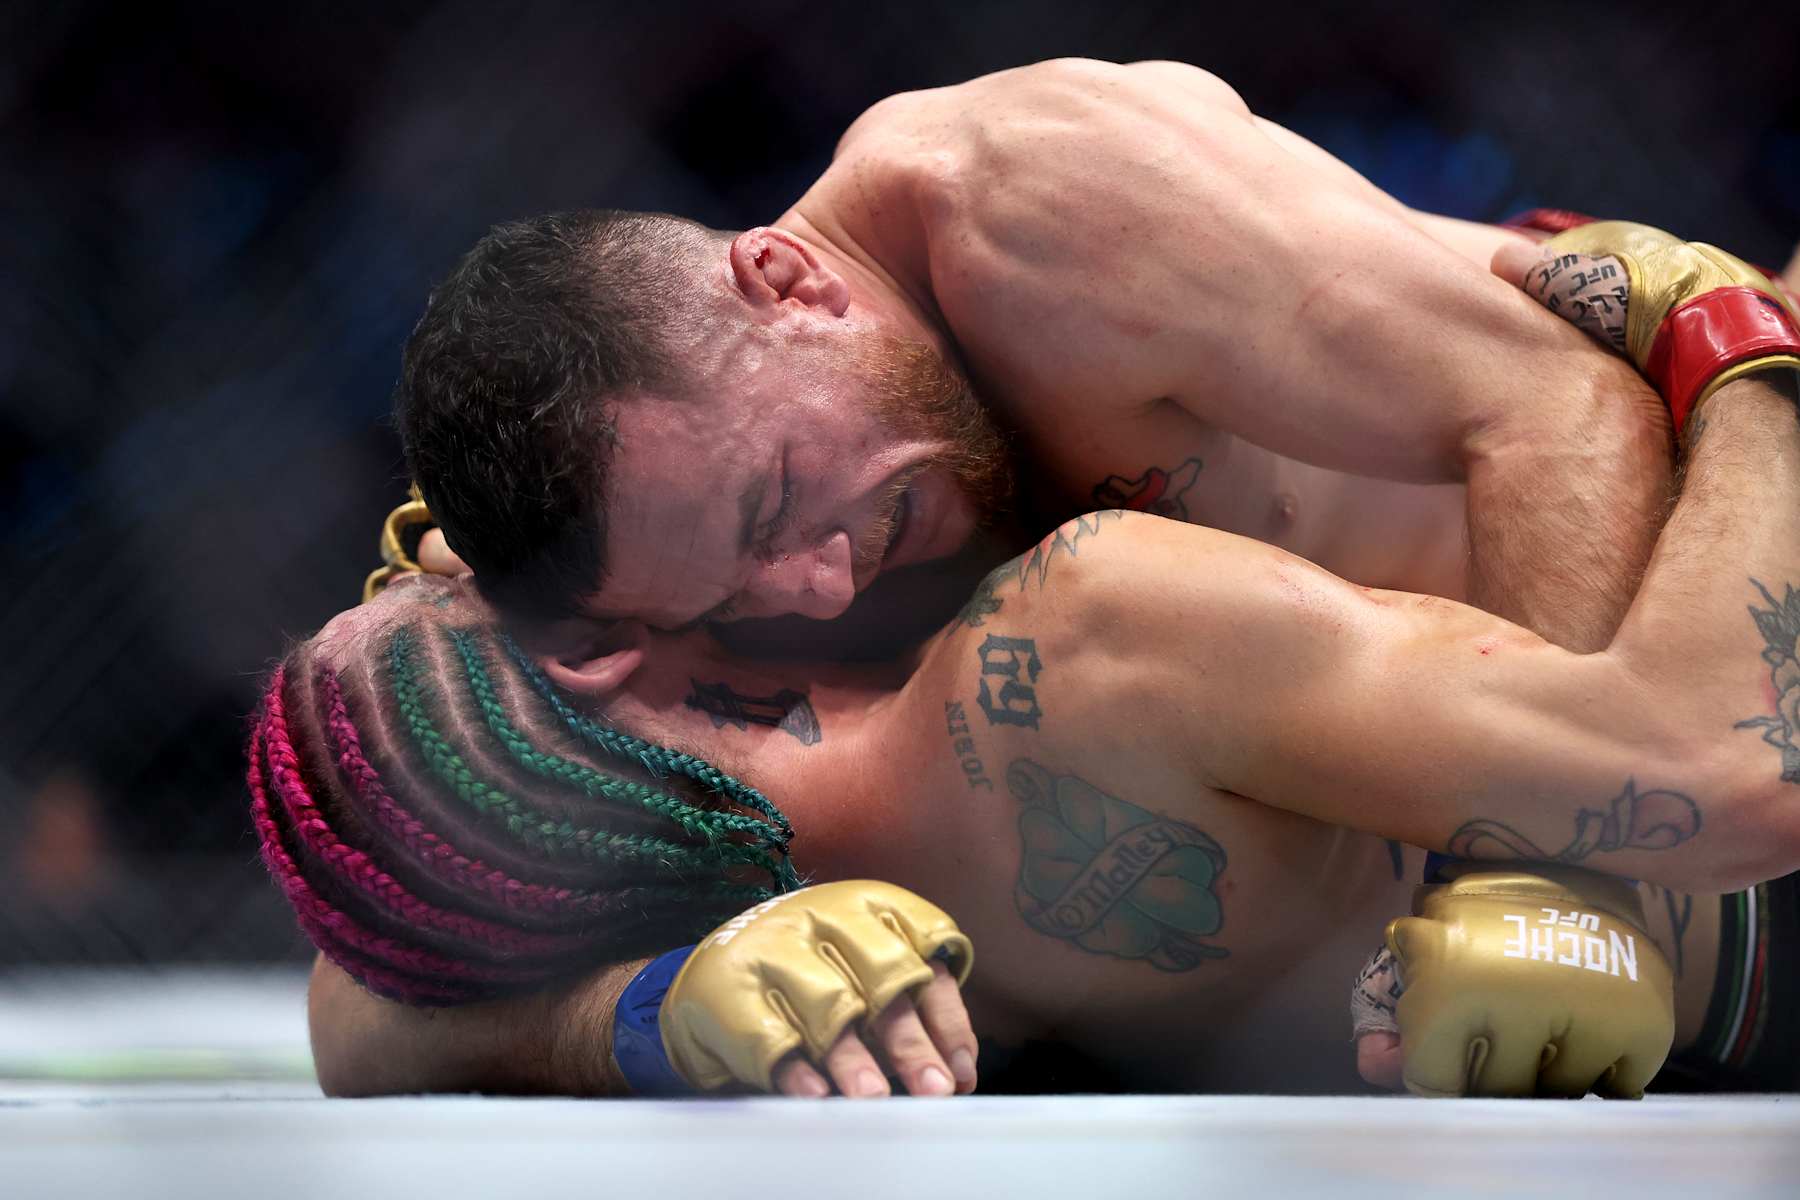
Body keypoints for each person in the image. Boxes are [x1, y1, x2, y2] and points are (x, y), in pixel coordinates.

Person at [270, 225, 1800, 1098]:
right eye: (443, 583)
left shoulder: (779, 940)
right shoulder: (1081, 634)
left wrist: (643, 1014)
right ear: (600, 653)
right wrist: (1742, 350)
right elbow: (1717, 766)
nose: (430, 553)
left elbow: (367, 1015)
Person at [395, 59, 1683, 666]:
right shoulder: (670, 525)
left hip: (1693, 542)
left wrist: (1554, 891)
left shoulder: (1051, 212)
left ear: (786, 284)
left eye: (774, 499)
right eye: (735, 598)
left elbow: (1558, 408)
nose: (818, 591)